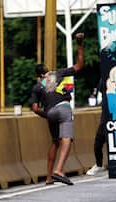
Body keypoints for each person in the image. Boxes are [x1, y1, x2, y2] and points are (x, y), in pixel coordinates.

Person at [31, 33, 84, 185]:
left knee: (55, 141)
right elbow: (79, 66)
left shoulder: (36, 87)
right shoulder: (57, 74)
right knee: (66, 138)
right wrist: (79, 44)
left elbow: (35, 109)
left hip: (50, 113)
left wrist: (47, 114)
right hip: (63, 108)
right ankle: (59, 170)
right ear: (45, 73)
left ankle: (48, 178)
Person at [86, 79, 107, 176]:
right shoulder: (104, 79)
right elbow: (100, 88)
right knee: (97, 144)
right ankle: (99, 164)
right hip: (105, 120)